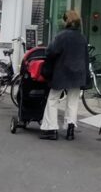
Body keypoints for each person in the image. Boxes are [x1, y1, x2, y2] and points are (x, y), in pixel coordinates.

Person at [38, 9, 89, 141]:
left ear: (67, 20)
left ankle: (51, 128)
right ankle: (70, 128)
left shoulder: (62, 36)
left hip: (62, 72)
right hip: (78, 73)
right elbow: (85, 57)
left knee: (53, 98)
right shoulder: (82, 37)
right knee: (72, 101)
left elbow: (50, 52)